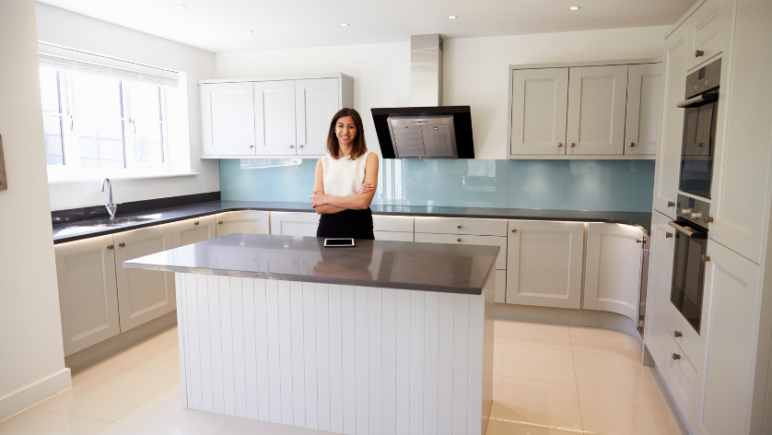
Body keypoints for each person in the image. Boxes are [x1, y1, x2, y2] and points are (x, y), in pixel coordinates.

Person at [311, 108, 379, 239]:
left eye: (351, 126)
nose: (345, 131)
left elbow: (364, 203)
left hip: (359, 228)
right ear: (334, 129)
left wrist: (326, 199)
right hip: (328, 229)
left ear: (358, 130)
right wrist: (355, 198)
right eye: (340, 126)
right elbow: (319, 208)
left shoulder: (370, 158)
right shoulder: (323, 161)